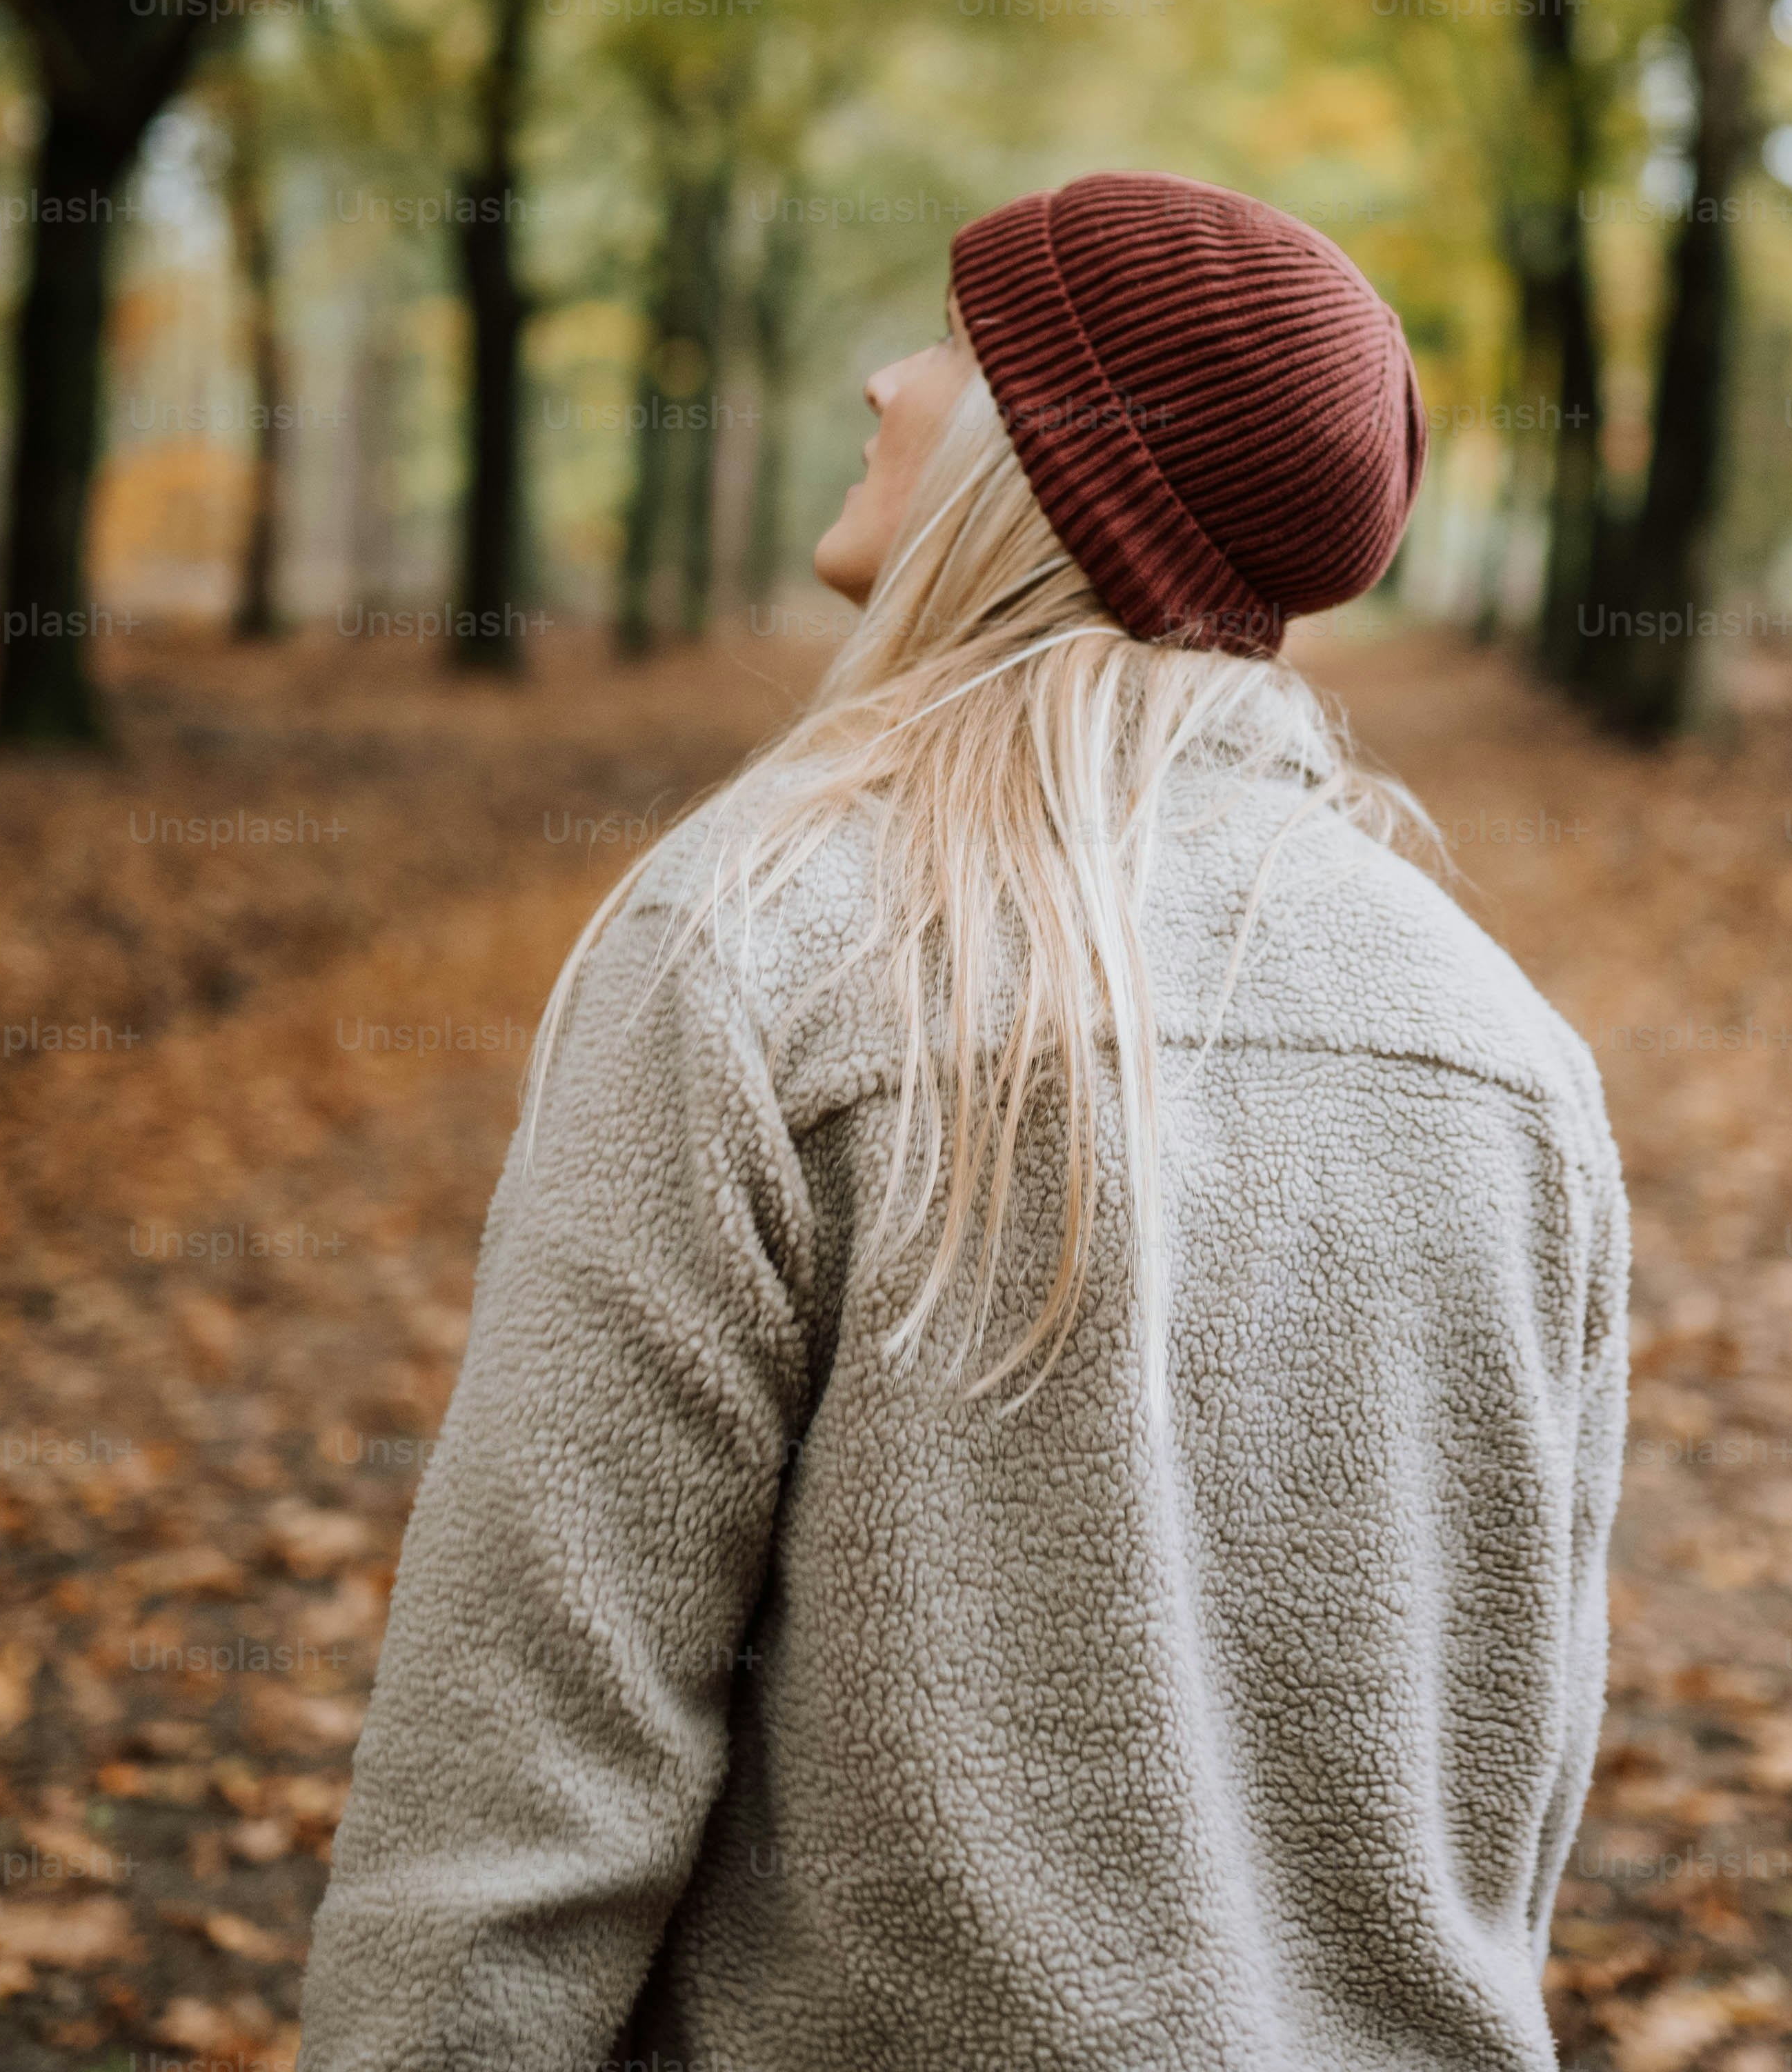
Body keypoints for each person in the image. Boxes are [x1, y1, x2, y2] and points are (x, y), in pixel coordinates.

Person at [301, 170, 1630, 2070]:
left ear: (1049, 460)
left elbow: (526, 1766)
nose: (878, 382)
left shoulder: (756, 941)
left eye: (947, 344)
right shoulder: (1505, 1050)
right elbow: (1509, 1777)